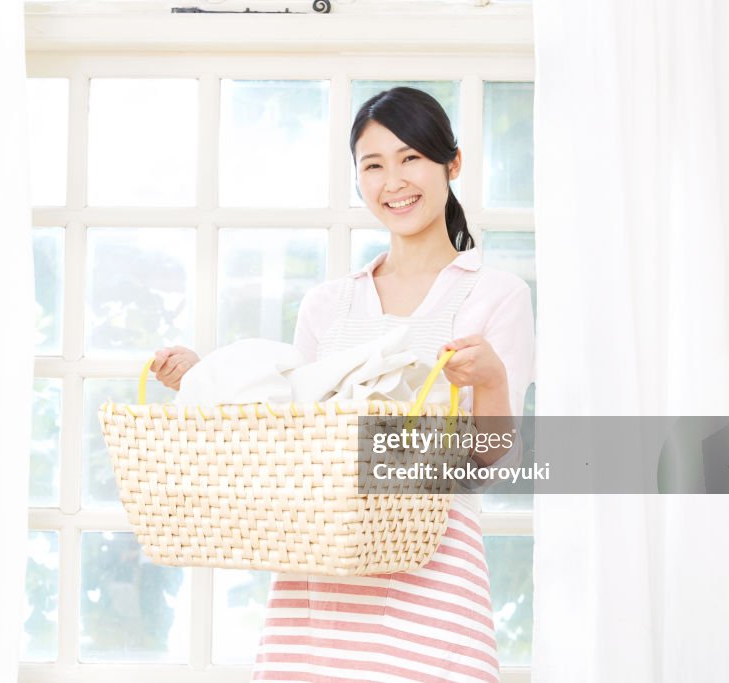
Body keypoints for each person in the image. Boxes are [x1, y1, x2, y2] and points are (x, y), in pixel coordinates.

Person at [152, 86, 534, 683]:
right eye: (373, 165)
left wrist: (490, 380)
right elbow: (287, 434)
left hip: (433, 567)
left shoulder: (495, 294)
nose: (393, 181)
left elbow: (486, 459)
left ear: (450, 165)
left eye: (411, 158)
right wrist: (208, 379)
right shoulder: (330, 304)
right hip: (322, 575)